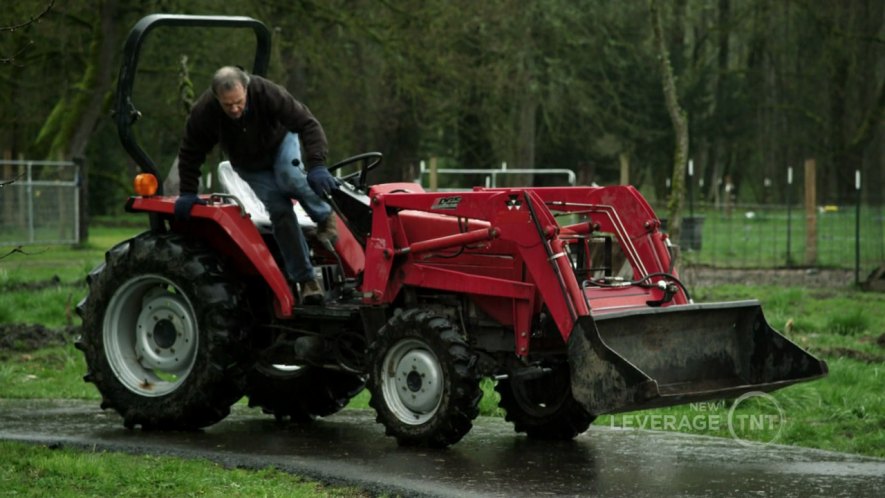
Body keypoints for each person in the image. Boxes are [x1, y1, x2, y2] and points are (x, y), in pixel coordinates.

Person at [173, 66, 339, 305]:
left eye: (239, 102)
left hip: (281, 142)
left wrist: (317, 165)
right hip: (250, 164)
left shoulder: (267, 92)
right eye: (227, 105)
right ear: (216, 97)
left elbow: (307, 123)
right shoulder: (205, 112)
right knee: (279, 210)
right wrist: (187, 192)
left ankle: (324, 217)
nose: (235, 109)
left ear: (247, 89)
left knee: (290, 177)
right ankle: (306, 281)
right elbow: (191, 151)